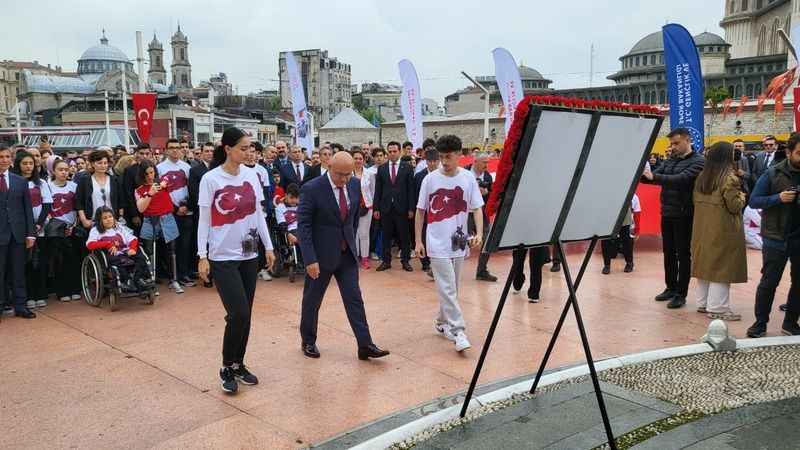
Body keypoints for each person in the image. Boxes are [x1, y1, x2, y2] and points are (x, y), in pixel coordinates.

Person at [197, 127, 276, 394]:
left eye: (250, 148)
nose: (248, 152)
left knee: (246, 314)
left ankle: (238, 363)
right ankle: (226, 367)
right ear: (228, 149)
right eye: (243, 148)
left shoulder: (252, 175)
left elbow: (259, 214)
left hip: (249, 254)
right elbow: (204, 221)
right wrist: (202, 255)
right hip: (222, 257)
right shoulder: (210, 179)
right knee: (238, 313)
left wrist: (268, 246)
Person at [297, 151, 389, 360]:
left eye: (348, 174)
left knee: (354, 298)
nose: (345, 179)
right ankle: (308, 341)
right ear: (330, 167)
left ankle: (365, 344)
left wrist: (351, 242)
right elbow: (304, 226)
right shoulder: (312, 188)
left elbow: (353, 218)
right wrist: (310, 259)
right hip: (320, 257)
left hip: (346, 254)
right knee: (312, 300)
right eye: (340, 174)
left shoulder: (354, 184)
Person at [414, 135, 484, 352]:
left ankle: (441, 321)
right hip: (436, 243)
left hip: (459, 242)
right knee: (447, 287)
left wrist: (480, 233)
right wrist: (418, 241)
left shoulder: (468, 178)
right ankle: (458, 331)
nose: (444, 161)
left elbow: (477, 208)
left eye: (449, 157)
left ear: (459, 155)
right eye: (441, 157)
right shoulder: (430, 180)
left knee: (452, 288)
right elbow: (420, 211)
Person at [642, 128, 705, 309]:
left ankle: (681, 294)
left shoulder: (699, 161)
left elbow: (681, 179)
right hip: (667, 212)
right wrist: (643, 175)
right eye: (671, 144)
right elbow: (657, 175)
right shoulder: (671, 160)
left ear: (688, 140)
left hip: (685, 214)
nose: (673, 147)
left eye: (676, 143)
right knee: (668, 252)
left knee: (683, 254)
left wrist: (654, 176)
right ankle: (670, 287)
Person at [746, 132, 800, 337]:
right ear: (788, 152)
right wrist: (779, 198)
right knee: (769, 283)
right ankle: (760, 323)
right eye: (799, 153)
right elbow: (754, 201)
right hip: (776, 237)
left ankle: (790, 323)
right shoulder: (772, 173)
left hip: (798, 238)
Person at [690, 141, 747, 321]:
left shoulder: (702, 177)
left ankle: (703, 303)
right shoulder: (729, 178)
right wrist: (742, 195)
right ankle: (718, 308)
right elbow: (734, 206)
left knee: (706, 265)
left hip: (702, 228)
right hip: (723, 229)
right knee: (722, 268)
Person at [135, 160, 183, 293]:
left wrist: (162, 183)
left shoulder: (161, 183)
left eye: (152, 172)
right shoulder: (139, 190)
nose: (150, 176)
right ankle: (151, 281)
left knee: (171, 251)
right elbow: (141, 208)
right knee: (150, 252)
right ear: (142, 175)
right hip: (150, 220)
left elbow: (168, 180)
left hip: (167, 218)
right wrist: (150, 193)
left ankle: (174, 280)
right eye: (146, 174)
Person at [0, 145, 36, 318]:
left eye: (7, 157)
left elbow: (27, 208)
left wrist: (30, 233)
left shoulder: (20, 181)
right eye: (1, 157)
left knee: (18, 272)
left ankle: (20, 306)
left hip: (18, 234)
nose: (4, 160)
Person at [13, 150, 53, 309]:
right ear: (18, 165)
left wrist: (39, 224)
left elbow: (47, 205)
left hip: (39, 229)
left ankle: (40, 294)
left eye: (31, 163)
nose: (28, 166)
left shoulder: (41, 183)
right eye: (25, 163)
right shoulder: (14, 182)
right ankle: (28, 296)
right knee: (25, 264)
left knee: (39, 262)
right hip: (20, 229)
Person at [86, 206, 152, 293]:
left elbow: (133, 239)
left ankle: (138, 279)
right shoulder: (96, 230)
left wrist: (132, 249)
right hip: (110, 254)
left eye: (110, 217)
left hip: (125, 252)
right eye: (105, 218)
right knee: (116, 261)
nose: (108, 219)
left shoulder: (119, 227)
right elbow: (89, 245)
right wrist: (108, 244)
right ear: (99, 220)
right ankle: (126, 281)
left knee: (141, 257)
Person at [158, 138, 195, 288]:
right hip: (169, 212)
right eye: (171, 147)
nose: (175, 150)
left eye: (177, 147)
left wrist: (186, 206)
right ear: (166, 150)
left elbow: (192, 189)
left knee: (185, 245)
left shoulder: (187, 167)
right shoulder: (159, 168)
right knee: (170, 246)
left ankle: (184, 274)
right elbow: (160, 193)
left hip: (186, 212)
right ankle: (172, 276)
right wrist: (175, 208)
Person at [373, 141, 415, 272]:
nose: (392, 154)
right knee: (386, 236)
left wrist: (411, 208)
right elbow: (378, 190)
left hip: (402, 208)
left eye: (394, 151)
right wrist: (376, 208)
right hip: (386, 208)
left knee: (404, 236)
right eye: (390, 151)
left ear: (400, 152)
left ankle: (405, 261)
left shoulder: (407, 168)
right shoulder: (382, 168)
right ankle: (386, 261)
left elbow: (411, 190)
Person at [47, 159, 82, 302]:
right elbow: (46, 208)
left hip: (72, 227)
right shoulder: (48, 186)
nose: (64, 172)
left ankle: (75, 288)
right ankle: (62, 291)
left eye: (66, 170)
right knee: (58, 261)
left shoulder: (74, 186)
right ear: (53, 171)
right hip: (55, 229)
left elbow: (79, 207)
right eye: (60, 170)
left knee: (73, 259)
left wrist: (73, 225)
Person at [76, 149, 123, 238]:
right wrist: (84, 220)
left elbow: (120, 201)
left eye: (105, 163)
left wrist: (120, 218)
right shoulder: (84, 180)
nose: (103, 166)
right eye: (100, 163)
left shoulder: (114, 180)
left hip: (112, 222)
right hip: (92, 222)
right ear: (93, 164)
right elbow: (79, 202)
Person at [467, 152, 497, 282]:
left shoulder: (488, 177)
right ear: (475, 162)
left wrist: (486, 193)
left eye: (487, 162)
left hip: (480, 213)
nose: (486, 165)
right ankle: (442, 268)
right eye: (484, 162)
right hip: (465, 213)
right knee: (459, 240)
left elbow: (490, 195)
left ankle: (482, 270)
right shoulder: (464, 173)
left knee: (488, 239)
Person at [188, 142, 214, 287]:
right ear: (202, 153)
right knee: (204, 243)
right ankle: (207, 276)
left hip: (219, 213)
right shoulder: (195, 171)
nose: (209, 153)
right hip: (202, 211)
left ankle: (217, 274)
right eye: (207, 151)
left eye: (211, 151)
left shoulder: (219, 168)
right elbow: (193, 192)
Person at [414, 148, 439, 274]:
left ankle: (436, 263)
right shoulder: (419, 176)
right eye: (430, 161)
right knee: (423, 236)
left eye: (435, 161)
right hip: (423, 211)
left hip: (438, 213)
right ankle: (425, 263)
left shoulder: (443, 175)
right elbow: (414, 194)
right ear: (426, 161)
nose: (432, 164)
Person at [600, 194, 640, 275]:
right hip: (607, 211)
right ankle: (607, 265)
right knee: (605, 239)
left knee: (626, 239)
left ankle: (629, 263)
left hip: (623, 209)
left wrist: (637, 229)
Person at [352, 149, 374, 269]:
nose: (358, 161)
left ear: (364, 160)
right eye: (355, 158)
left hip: (366, 206)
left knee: (364, 233)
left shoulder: (369, 173)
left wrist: (372, 205)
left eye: (360, 158)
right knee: (353, 233)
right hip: (352, 208)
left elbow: (373, 190)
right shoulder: (347, 173)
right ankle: (355, 257)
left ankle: (365, 258)